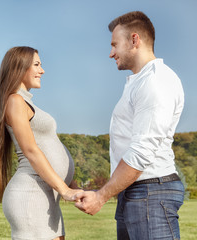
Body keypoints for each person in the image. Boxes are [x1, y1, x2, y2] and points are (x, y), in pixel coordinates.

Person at [75, 11, 185, 240]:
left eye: (115, 44)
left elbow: (142, 151)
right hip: (137, 192)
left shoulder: (155, 81)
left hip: (150, 193)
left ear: (134, 40)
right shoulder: (140, 82)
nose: (111, 53)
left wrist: (101, 196)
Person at [0, 46, 82, 240]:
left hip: (47, 197)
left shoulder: (25, 102)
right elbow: (31, 150)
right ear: (20, 67)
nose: (42, 70)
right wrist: (65, 190)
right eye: (37, 64)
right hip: (30, 195)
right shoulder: (15, 100)